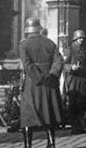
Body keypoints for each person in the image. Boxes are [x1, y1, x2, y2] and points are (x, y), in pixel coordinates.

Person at [18, 19, 63, 148]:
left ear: (27, 30)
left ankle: (28, 145)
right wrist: (52, 74)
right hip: (50, 83)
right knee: (49, 112)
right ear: (39, 28)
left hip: (33, 84)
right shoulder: (50, 43)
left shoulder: (24, 45)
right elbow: (59, 61)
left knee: (28, 115)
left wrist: (39, 78)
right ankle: (51, 142)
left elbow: (27, 65)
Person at [63, 29, 86, 134]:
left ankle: (81, 125)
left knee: (82, 103)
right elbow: (64, 65)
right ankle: (74, 127)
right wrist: (71, 67)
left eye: (82, 38)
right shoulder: (70, 50)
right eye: (79, 38)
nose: (81, 40)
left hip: (82, 79)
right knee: (73, 104)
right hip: (73, 79)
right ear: (75, 39)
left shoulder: (84, 50)